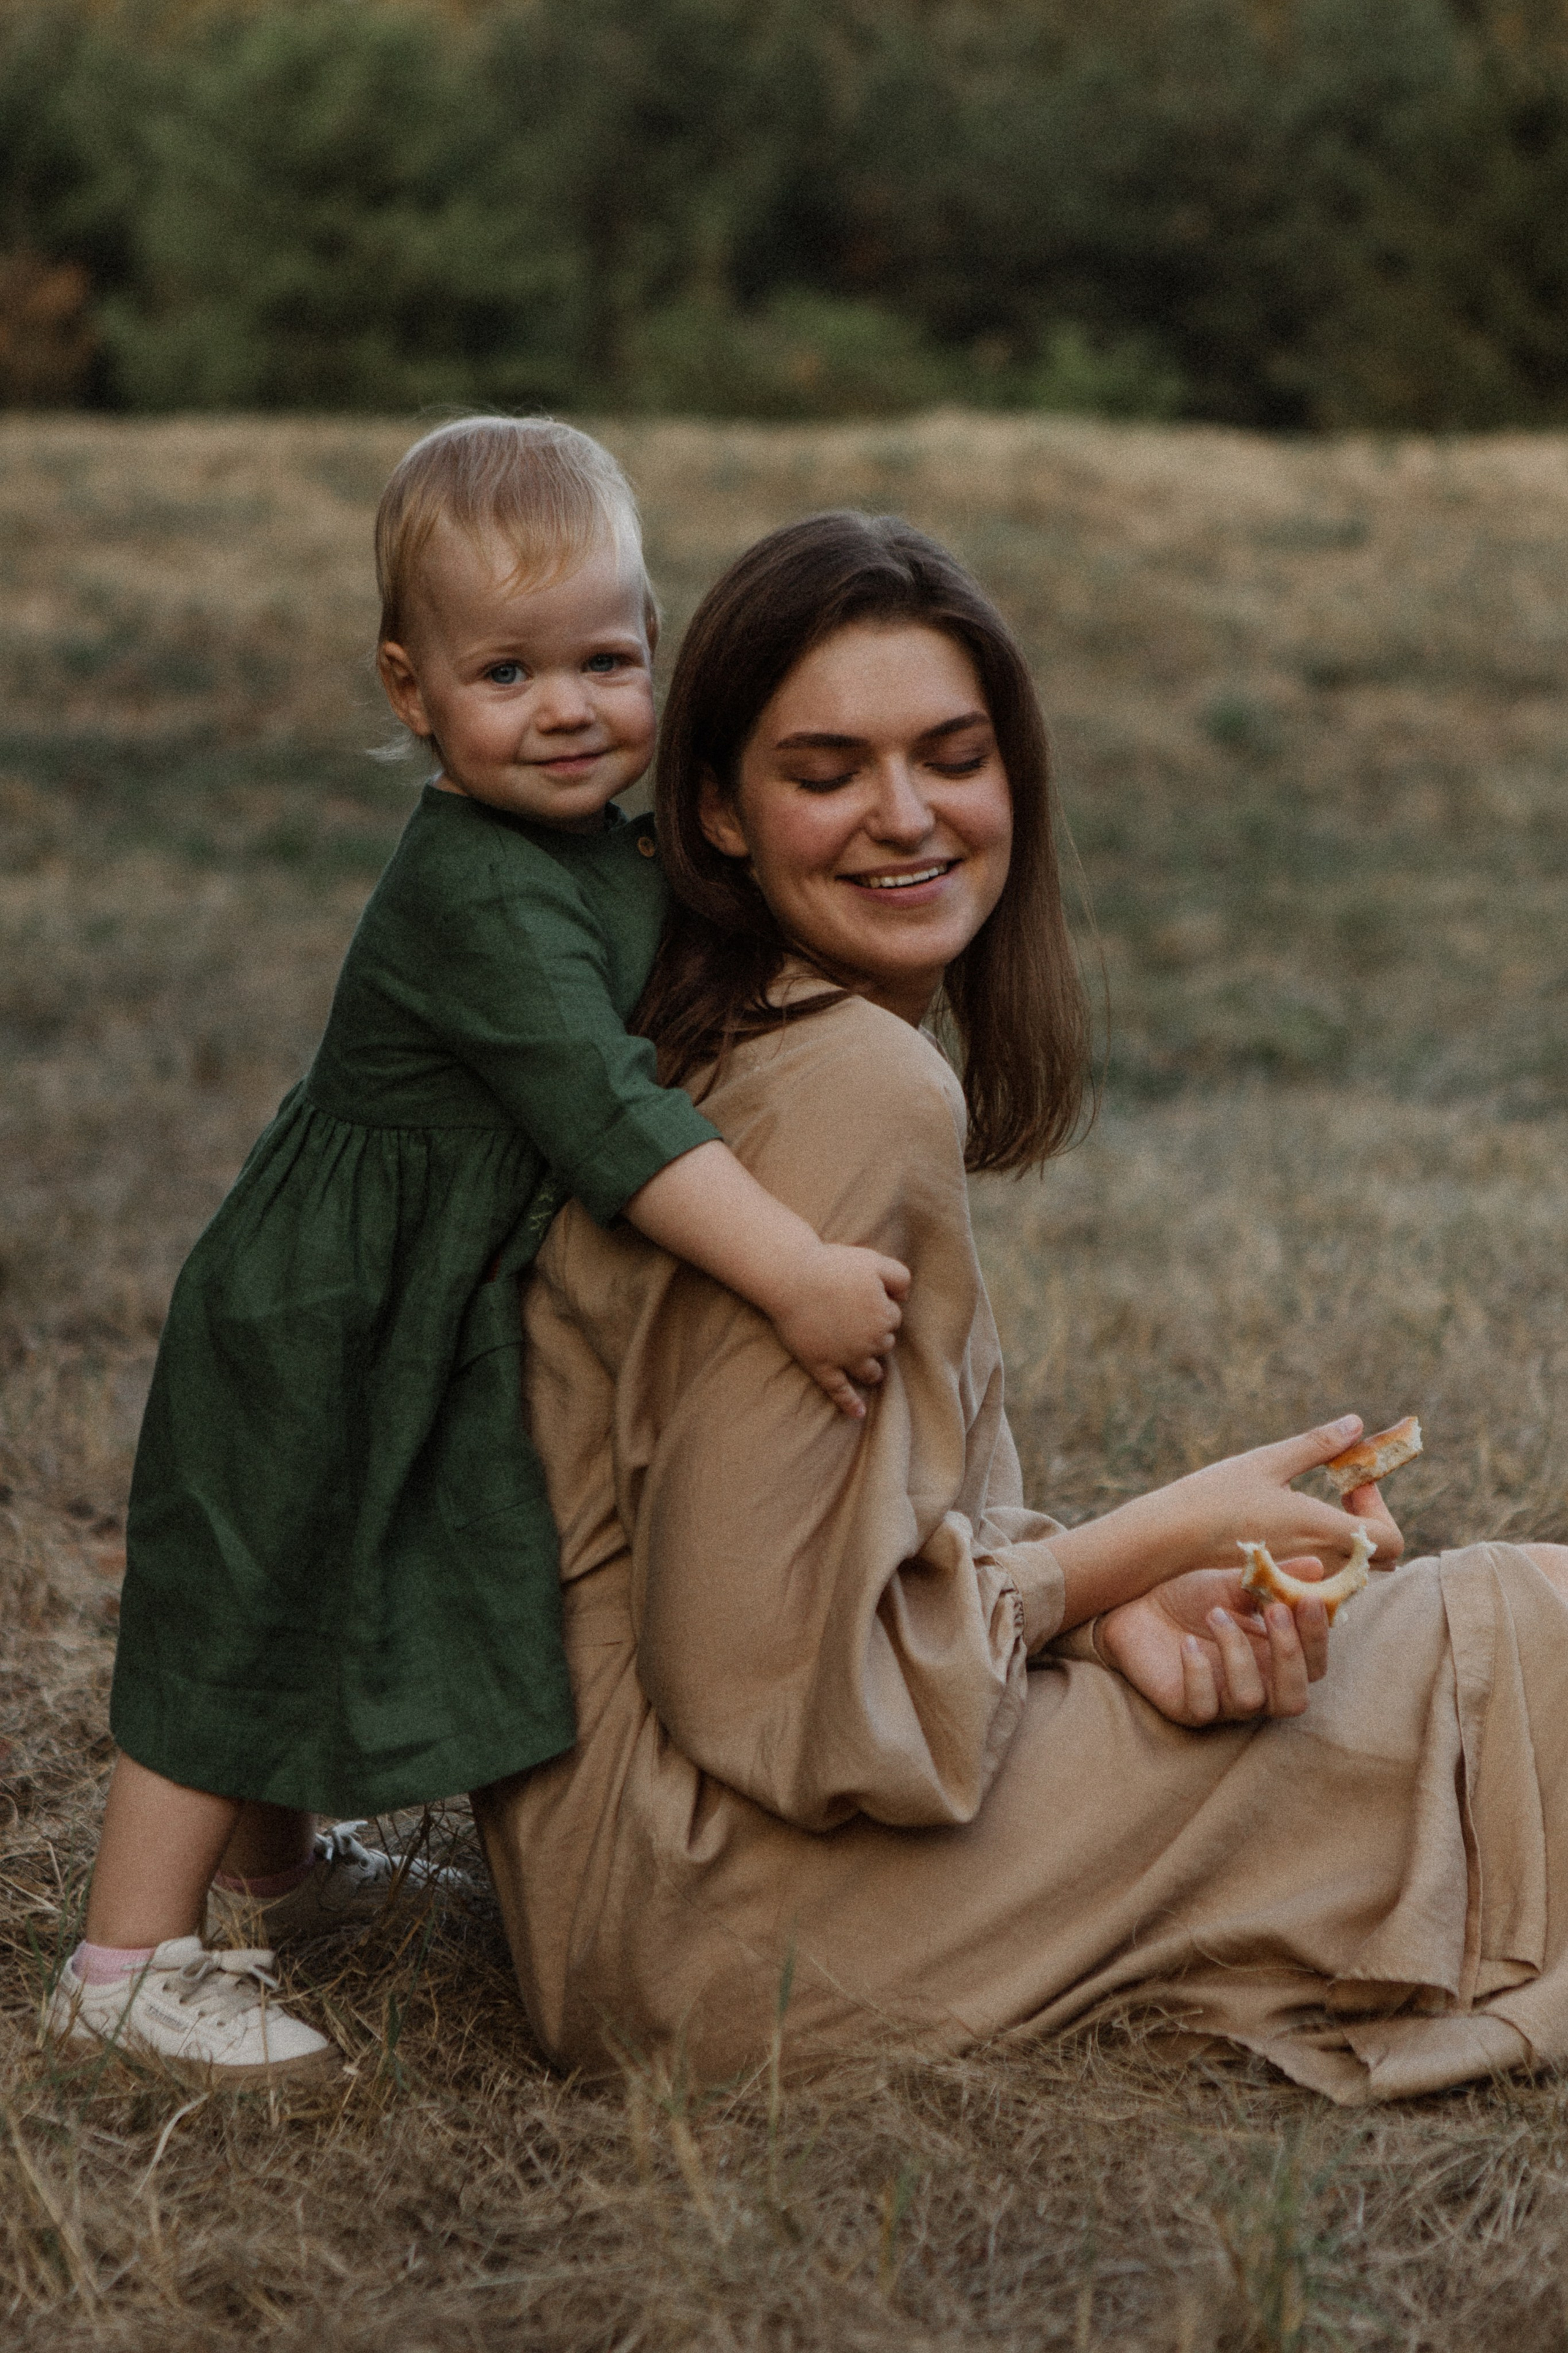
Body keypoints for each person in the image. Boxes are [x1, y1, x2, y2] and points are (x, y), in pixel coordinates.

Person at [474, 510, 1568, 2105]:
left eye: (952, 754)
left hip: (635, 1881)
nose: (905, 814)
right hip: (728, 1903)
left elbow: (799, 1551)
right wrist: (1140, 1545)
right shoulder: (843, 1081)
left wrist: (1108, 1613)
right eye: (827, 769)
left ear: (1015, 782)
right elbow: (777, 1685)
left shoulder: (728, 1056)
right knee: (1524, 1641)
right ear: (714, 809)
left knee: (1423, 1679)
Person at [49, 425, 908, 2085]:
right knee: (244, 1601)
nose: (570, 705)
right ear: (411, 688)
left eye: (607, 657)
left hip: (401, 1289)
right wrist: (792, 1267)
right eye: (508, 670)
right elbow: (610, 1117)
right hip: (315, 1303)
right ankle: (122, 1962)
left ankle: (278, 1881)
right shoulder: (478, 895)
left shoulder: (588, 847)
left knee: (320, 1568)